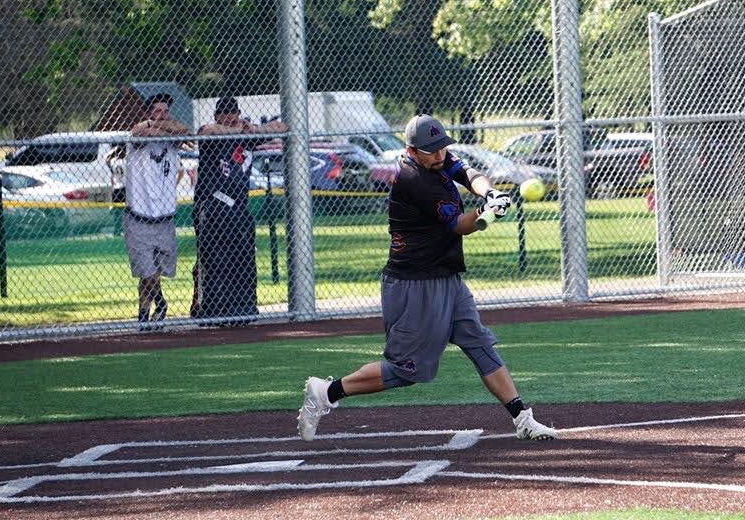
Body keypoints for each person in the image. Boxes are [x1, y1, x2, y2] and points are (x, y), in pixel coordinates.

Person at [297, 114, 557, 441]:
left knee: (478, 342)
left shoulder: (438, 160)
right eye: (431, 151)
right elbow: (460, 225)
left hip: (446, 277)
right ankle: (326, 392)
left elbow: (468, 173)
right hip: (414, 284)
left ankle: (522, 418)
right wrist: (488, 212)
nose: (439, 155)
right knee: (405, 371)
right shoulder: (414, 180)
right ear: (411, 151)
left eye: (441, 148)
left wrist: (490, 193)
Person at [191, 96, 287, 323]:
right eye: (223, 113)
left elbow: (281, 127)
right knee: (214, 260)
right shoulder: (213, 135)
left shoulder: (246, 137)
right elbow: (205, 131)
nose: (228, 117)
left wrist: (253, 129)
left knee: (242, 259)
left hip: (239, 207)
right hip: (213, 205)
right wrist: (234, 129)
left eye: (232, 113)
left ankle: (243, 308)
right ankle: (214, 310)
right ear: (216, 115)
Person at [122, 93, 189, 329]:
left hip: (164, 219)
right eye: (156, 111)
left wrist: (163, 127)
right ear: (147, 114)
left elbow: (184, 131)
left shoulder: (172, 140)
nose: (161, 115)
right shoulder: (138, 138)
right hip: (138, 217)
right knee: (147, 271)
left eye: (165, 111)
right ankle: (159, 303)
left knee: (154, 273)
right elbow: (139, 132)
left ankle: (145, 314)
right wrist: (157, 126)